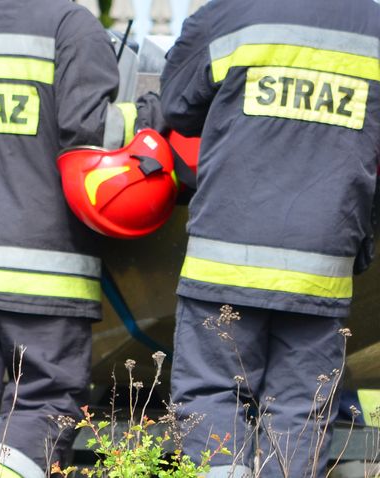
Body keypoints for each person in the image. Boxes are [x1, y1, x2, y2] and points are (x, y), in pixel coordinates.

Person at [0, 1, 165, 477]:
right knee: (47, 401)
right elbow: (92, 132)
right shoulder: (70, 26)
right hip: (42, 268)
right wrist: (150, 112)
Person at [160, 0, 380, 476]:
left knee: (212, 394)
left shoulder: (229, 13)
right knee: (301, 410)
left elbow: (177, 106)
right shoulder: (374, 24)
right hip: (322, 262)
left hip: (225, 256)